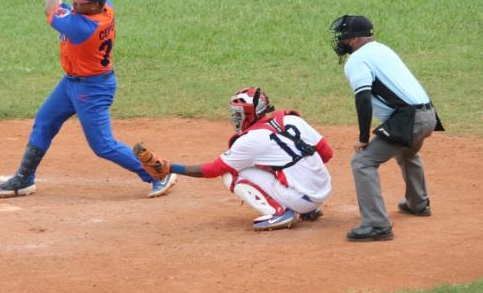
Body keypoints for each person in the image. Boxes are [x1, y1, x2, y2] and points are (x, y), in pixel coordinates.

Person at [0, 0, 177, 198]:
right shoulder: (104, 8)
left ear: (95, 4)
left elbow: (51, 8)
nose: (75, 4)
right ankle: (24, 178)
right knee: (44, 120)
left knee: (103, 145)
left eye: (81, 1)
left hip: (93, 89)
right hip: (71, 83)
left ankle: (159, 174)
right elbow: (62, 7)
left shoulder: (83, 27)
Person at [135, 87, 334, 231]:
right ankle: (308, 208)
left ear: (251, 114)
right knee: (285, 161)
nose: (234, 118)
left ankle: (279, 212)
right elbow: (326, 154)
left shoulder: (250, 140)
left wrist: (171, 168)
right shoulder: (292, 120)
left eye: (238, 114)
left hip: (303, 197)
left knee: (232, 174)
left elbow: (212, 170)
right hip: (322, 189)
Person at [329, 15, 443, 242]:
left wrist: (363, 138)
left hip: (409, 119)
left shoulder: (357, 60)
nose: (341, 40)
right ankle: (418, 204)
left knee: (362, 162)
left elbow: (362, 98)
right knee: (406, 151)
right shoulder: (382, 49)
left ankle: (376, 225)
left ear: (355, 38)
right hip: (428, 115)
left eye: (344, 35)